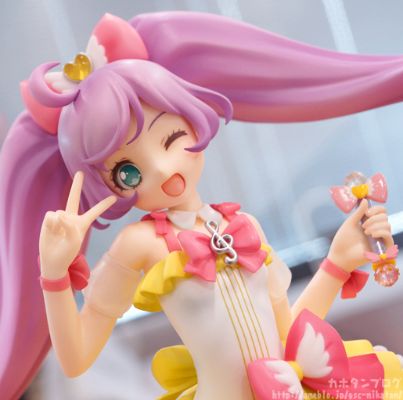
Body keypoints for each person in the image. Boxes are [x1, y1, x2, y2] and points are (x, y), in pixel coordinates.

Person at [1, 12, 403, 400]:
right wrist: (53, 273)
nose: (162, 169)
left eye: (170, 138)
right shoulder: (139, 244)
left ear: (193, 121)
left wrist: (337, 263)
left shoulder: (243, 225)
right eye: (128, 172)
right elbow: (75, 360)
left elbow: (288, 338)